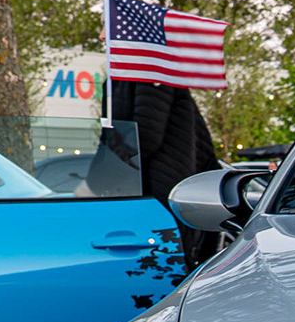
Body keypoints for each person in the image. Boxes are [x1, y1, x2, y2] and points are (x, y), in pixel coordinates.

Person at [85, 80, 225, 266]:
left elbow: (142, 139)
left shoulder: (144, 71)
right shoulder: (137, 72)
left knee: (161, 268)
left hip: (158, 198)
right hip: (169, 195)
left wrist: (94, 184)